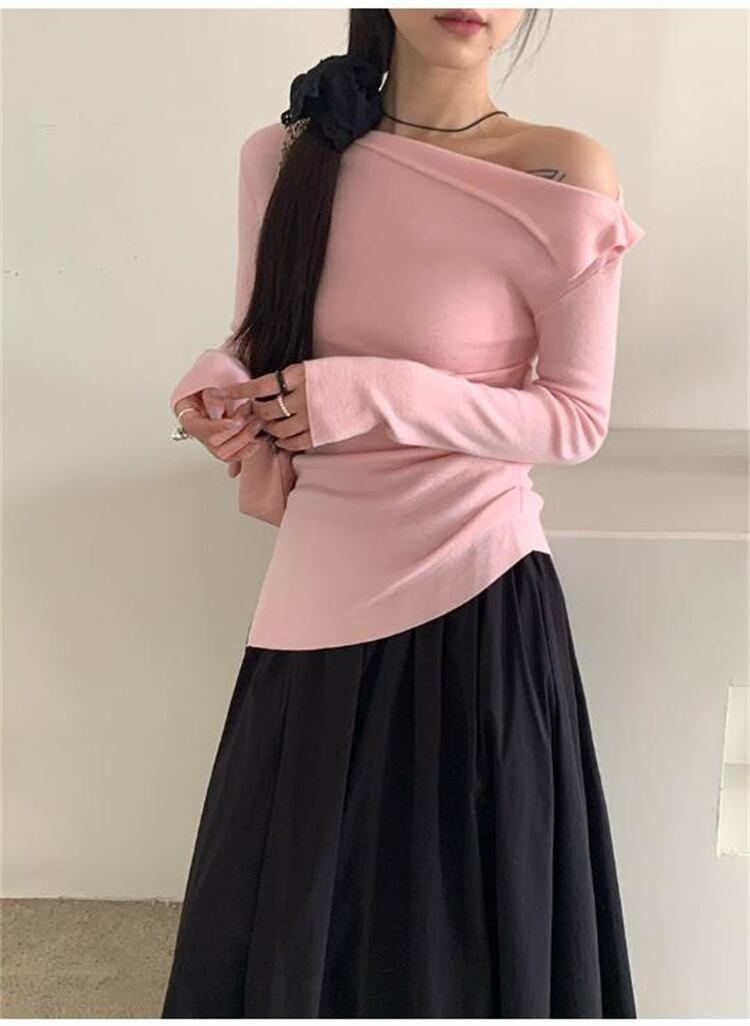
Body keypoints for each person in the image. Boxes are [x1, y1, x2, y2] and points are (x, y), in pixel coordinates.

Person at [161, 8, 646, 1018]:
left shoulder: (564, 172)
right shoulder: (286, 156)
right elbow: (260, 339)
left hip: (480, 595)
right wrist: (224, 389)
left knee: (460, 945)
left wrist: (375, 392)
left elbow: (575, 419)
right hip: (318, 592)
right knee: (293, 929)